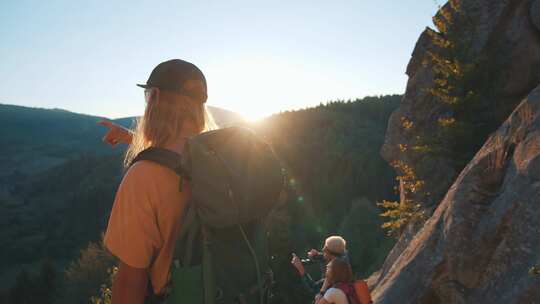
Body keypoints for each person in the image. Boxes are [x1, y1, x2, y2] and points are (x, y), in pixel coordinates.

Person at [100, 59, 213, 304]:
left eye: (147, 96)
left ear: (157, 98)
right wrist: (130, 138)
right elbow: (175, 149)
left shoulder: (144, 177)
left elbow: (130, 282)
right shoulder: (220, 159)